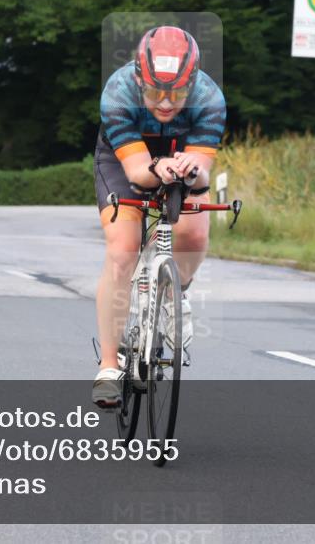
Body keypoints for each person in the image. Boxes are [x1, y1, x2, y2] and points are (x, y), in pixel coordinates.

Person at [92, 26, 226, 408]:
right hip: (124, 158)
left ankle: (175, 291)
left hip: (181, 151)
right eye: (155, 92)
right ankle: (108, 365)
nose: (166, 103)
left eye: (177, 93)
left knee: (196, 237)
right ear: (139, 79)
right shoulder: (118, 93)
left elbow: (202, 172)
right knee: (122, 250)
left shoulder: (209, 99)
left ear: (193, 83)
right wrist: (159, 167)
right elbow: (136, 173)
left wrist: (191, 168)